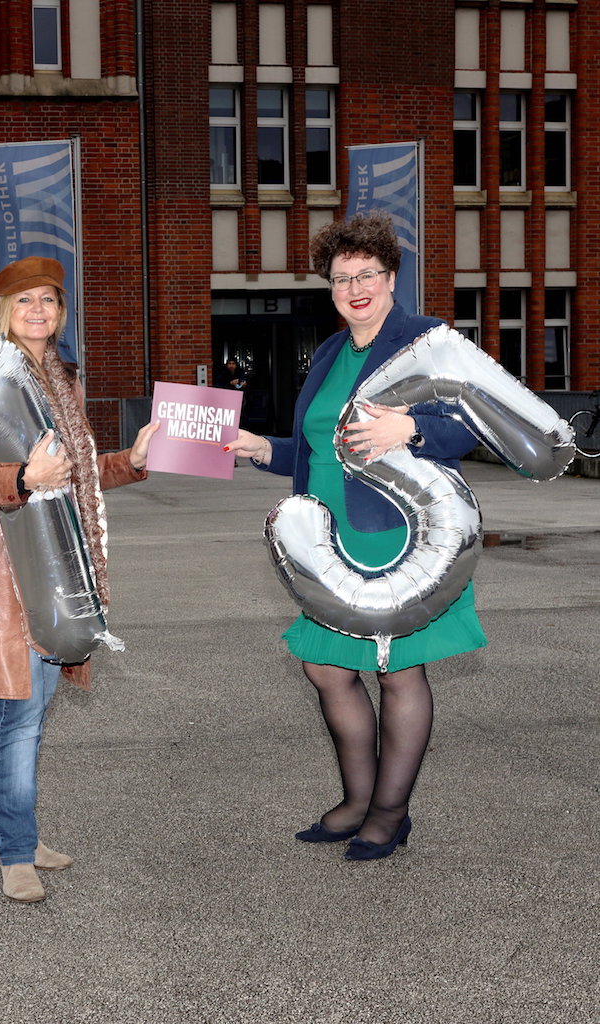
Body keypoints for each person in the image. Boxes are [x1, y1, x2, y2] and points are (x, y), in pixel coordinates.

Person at [225, 212, 487, 861]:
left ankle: (388, 813)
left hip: (403, 538)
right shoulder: (332, 353)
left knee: (398, 672)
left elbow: (477, 422)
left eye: (367, 272)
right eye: (343, 278)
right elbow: (320, 449)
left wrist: (414, 431)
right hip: (331, 542)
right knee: (326, 665)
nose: (355, 286)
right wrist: (263, 448)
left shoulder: (426, 340)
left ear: (391, 276)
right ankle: (358, 797)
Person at [0, 256, 158, 902]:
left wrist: (133, 461)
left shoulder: (62, 381)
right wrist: (20, 480)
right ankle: (14, 852)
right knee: (20, 715)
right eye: (24, 300)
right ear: (0, 310)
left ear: (60, 313)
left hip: (56, 564)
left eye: (49, 301)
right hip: (4, 574)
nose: (38, 311)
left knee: (27, 712)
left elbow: (81, 474)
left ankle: (7, 831)